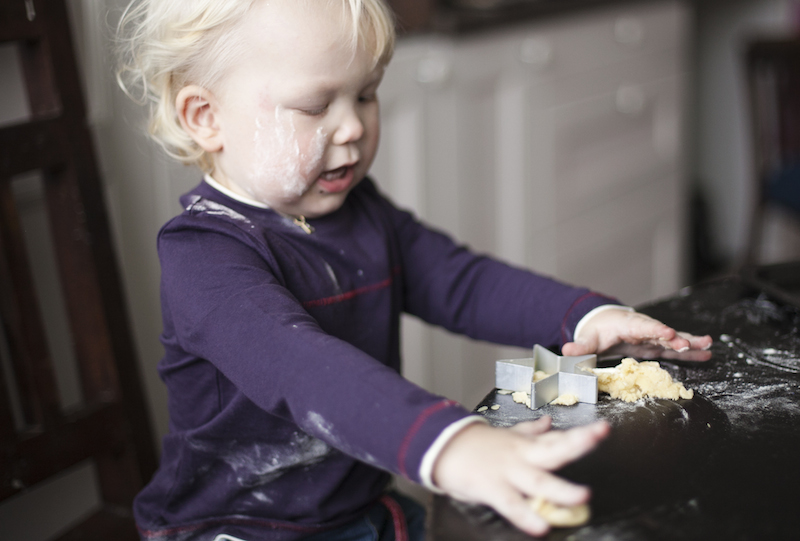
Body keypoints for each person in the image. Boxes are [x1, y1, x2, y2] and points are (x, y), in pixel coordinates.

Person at [115, 1, 713, 540]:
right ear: (205, 116)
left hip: (363, 508)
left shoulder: (362, 211)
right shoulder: (202, 256)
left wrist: (586, 317)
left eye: (366, 94)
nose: (353, 127)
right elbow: (304, 370)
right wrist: (452, 446)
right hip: (237, 527)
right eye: (316, 105)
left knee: (562, 452)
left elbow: (463, 283)